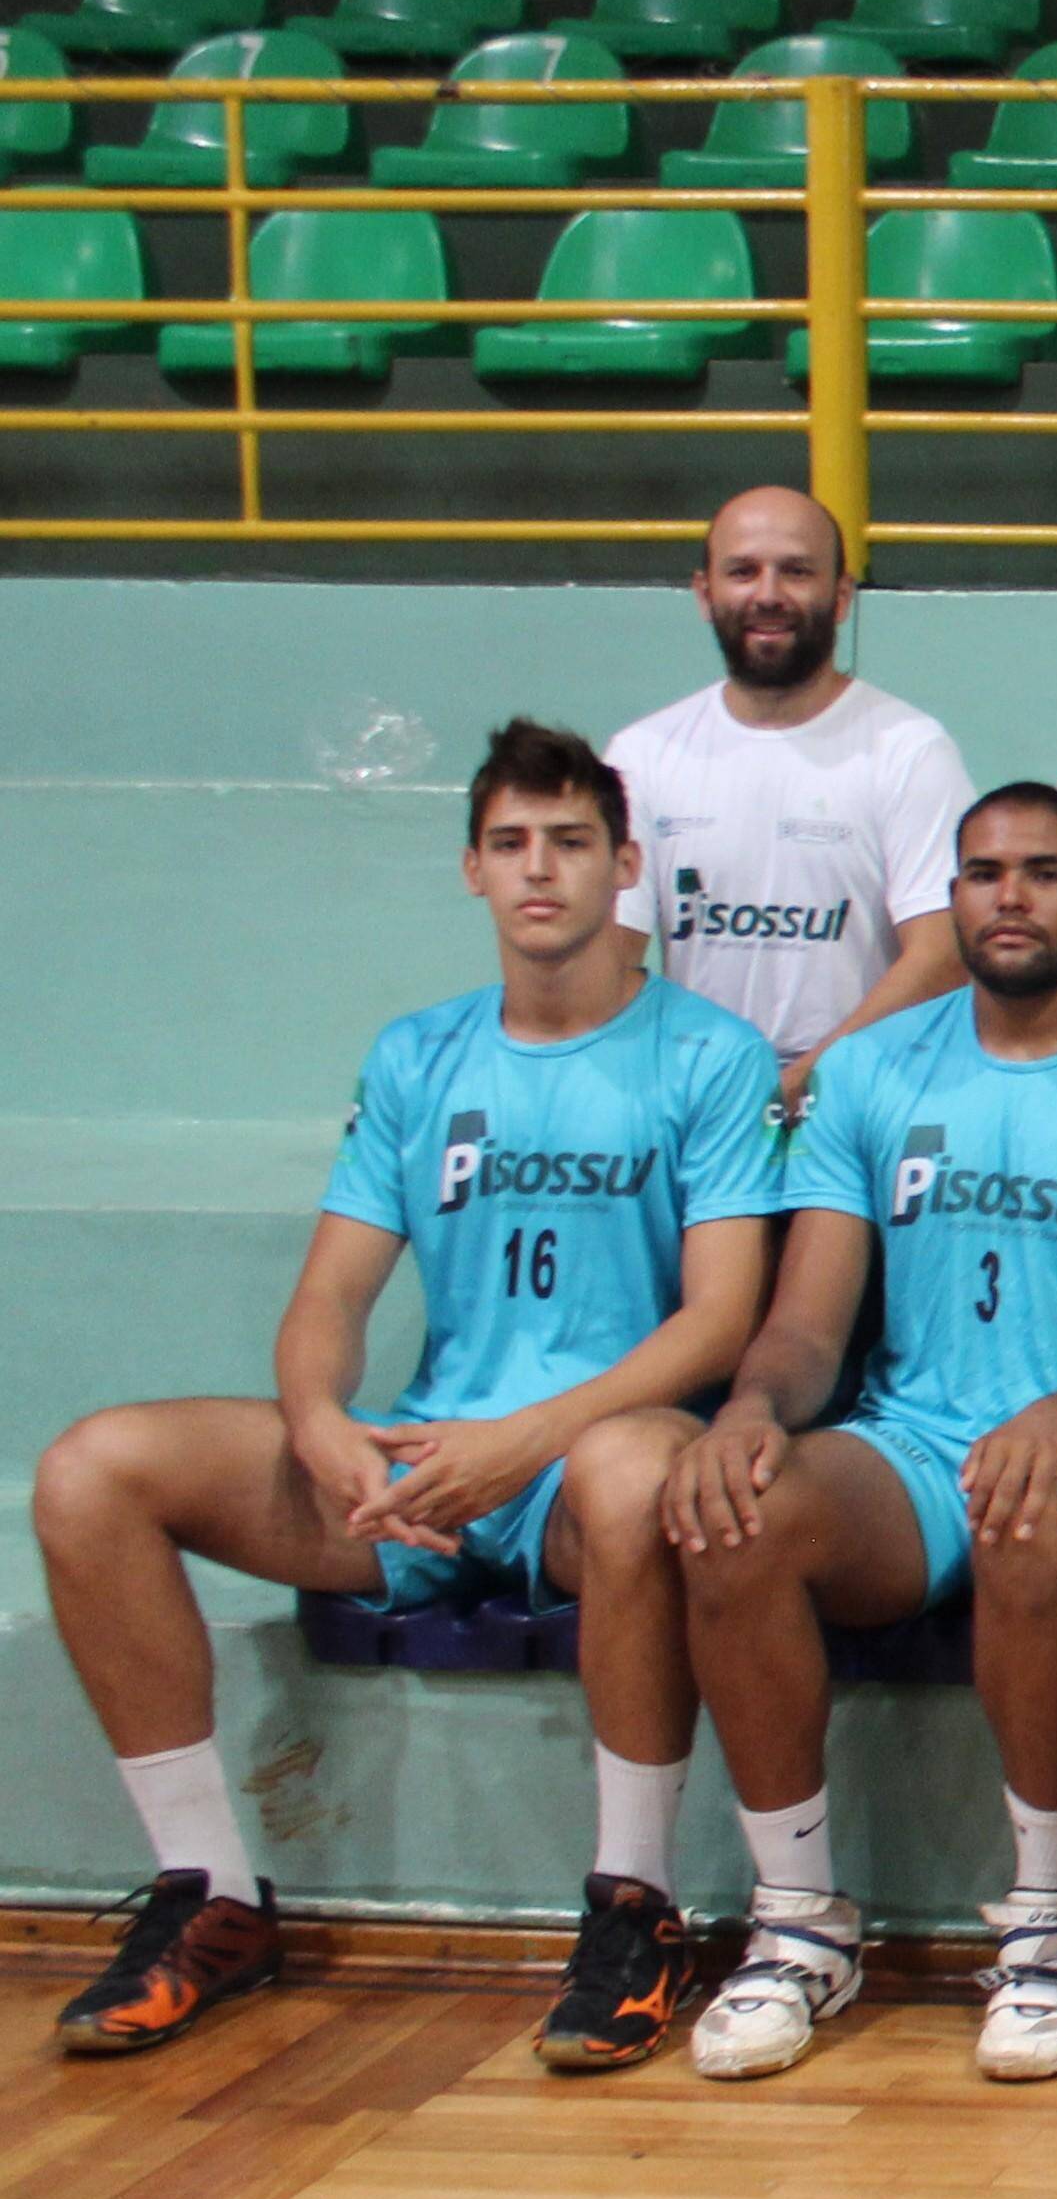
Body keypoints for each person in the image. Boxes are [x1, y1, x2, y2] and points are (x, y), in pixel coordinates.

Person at [41, 721, 777, 2063]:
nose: (538, 871)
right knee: (94, 1467)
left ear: (625, 866)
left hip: (584, 1454)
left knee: (626, 1475)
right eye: (510, 844)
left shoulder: (709, 1056)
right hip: (430, 1463)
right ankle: (210, 1892)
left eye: (568, 843)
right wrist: (324, 1425)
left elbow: (721, 1318)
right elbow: (329, 1298)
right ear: (470, 871)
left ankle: (635, 1905)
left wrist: (527, 1442)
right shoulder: (416, 1057)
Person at [635, 785, 1057, 2087]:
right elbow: (807, 1327)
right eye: (980, 872)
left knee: (1023, 1506)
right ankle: (798, 1921)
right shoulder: (869, 1070)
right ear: (952, 895)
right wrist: (747, 1410)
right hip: (912, 1445)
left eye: (1040, 872)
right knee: (735, 1507)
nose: (1008, 895)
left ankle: (1051, 1920)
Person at [609, 486, 975, 1112]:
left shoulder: (908, 750)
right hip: (695, 1109)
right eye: (743, 571)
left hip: (858, 1110)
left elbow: (944, 955)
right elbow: (606, 960)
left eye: (797, 571)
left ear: (840, 597)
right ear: (704, 594)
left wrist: (801, 1082)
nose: (769, 594)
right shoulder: (641, 756)